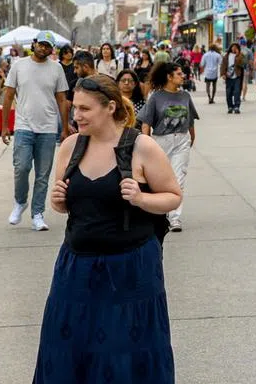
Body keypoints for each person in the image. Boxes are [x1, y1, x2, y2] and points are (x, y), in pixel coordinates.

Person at [35, 75, 180, 383]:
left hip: (131, 267)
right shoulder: (71, 146)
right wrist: (59, 201)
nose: (76, 116)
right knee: (69, 345)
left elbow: (172, 196)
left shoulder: (141, 146)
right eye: (75, 108)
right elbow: (67, 204)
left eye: (85, 109)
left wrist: (141, 198)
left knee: (125, 347)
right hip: (76, 265)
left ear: (110, 107)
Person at [1, 32, 70, 232]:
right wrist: (5, 125)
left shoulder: (56, 69)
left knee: (43, 174)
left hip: (48, 128)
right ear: (34, 44)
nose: (43, 49)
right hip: (23, 126)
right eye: (41, 44)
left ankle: (37, 213)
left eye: (47, 46)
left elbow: (62, 100)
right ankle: (20, 201)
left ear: (52, 49)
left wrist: (64, 128)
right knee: (21, 167)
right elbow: (8, 97)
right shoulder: (19, 65)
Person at [138, 61, 198, 232]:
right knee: (159, 179)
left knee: (179, 178)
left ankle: (175, 218)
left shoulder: (185, 95)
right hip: (160, 140)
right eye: (179, 74)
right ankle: (158, 211)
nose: (183, 76)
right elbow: (146, 122)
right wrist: (145, 141)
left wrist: (191, 136)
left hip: (181, 139)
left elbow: (190, 119)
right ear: (169, 77)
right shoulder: (156, 97)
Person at [221, 43, 247, 114]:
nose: (234, 49)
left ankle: (236, 107)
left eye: (236, 47)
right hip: (228, 77)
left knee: (237, 92)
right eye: (233, 47)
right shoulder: (226, 56)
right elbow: (223, 65)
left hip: (237, 76)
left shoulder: (241, 56)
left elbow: (242, 64)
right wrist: (223, 74)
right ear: (230, 48)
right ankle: (230, 107)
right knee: (228, 92)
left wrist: (238, 55)